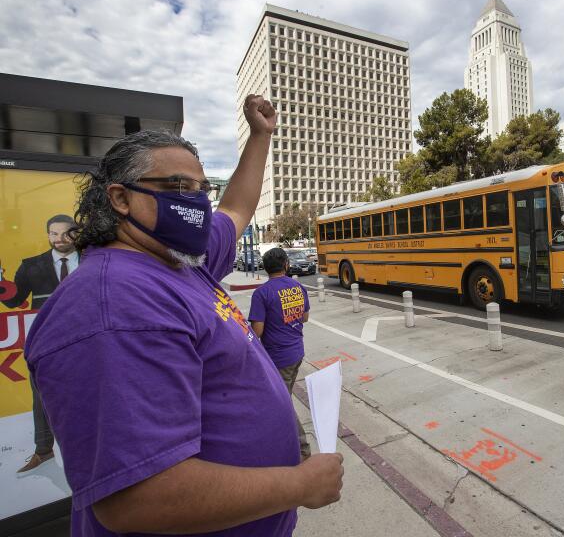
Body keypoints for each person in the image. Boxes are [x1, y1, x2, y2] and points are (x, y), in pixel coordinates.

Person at [24, 95, 343, 536]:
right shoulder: (115, 305)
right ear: (120, 198)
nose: (196, 203)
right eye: (178, 188)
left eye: (200, 190)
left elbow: (236, 208)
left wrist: (261, 136)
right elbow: (139, 499)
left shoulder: (178, 261)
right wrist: (300, 484)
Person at [1, 214, 79, 474]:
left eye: (66, 233)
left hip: (87, 339)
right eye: (53, 234)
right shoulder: (31, 265)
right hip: (45, 342)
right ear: (47, 235)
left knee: (89, 391)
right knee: (41, 395)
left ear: (76, 233)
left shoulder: (94, 259)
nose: (59, 239)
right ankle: (43, 450)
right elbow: (14, 301)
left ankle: (83, 447)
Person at [248, 248, 311, 460]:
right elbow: (304, 318)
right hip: (296, 352)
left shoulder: (262, 293)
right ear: (286, 264)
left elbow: (257, 331)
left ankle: (302, 449)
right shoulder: (298, 286)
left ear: (266, 268)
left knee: (282, 404)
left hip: (278, 358)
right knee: (284, 397)